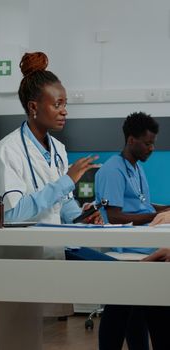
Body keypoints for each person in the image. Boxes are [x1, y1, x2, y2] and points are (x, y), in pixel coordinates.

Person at [0, 51, 102, 350]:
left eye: (66, 104)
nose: (65, 111)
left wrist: (83, 215)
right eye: (58, 104)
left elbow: (62, 205)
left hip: (50, 252)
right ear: (34, 107)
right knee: (13, 334)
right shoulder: (7, 151)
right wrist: (67, 180)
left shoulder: (59, 150)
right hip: (19, 259)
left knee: (32, 337)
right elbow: (12, 215)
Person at [95, 112, 170, 350]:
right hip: (126, 251)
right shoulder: (112, 170)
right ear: (131, 140)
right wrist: (156, 216)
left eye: (153, 143)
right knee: (126, 309)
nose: (152, 148)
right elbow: (115, 216)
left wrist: (164, 208)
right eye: (148, 143)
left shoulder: (135, 167)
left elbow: (143, 204)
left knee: (147, 308)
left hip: (144, 246)